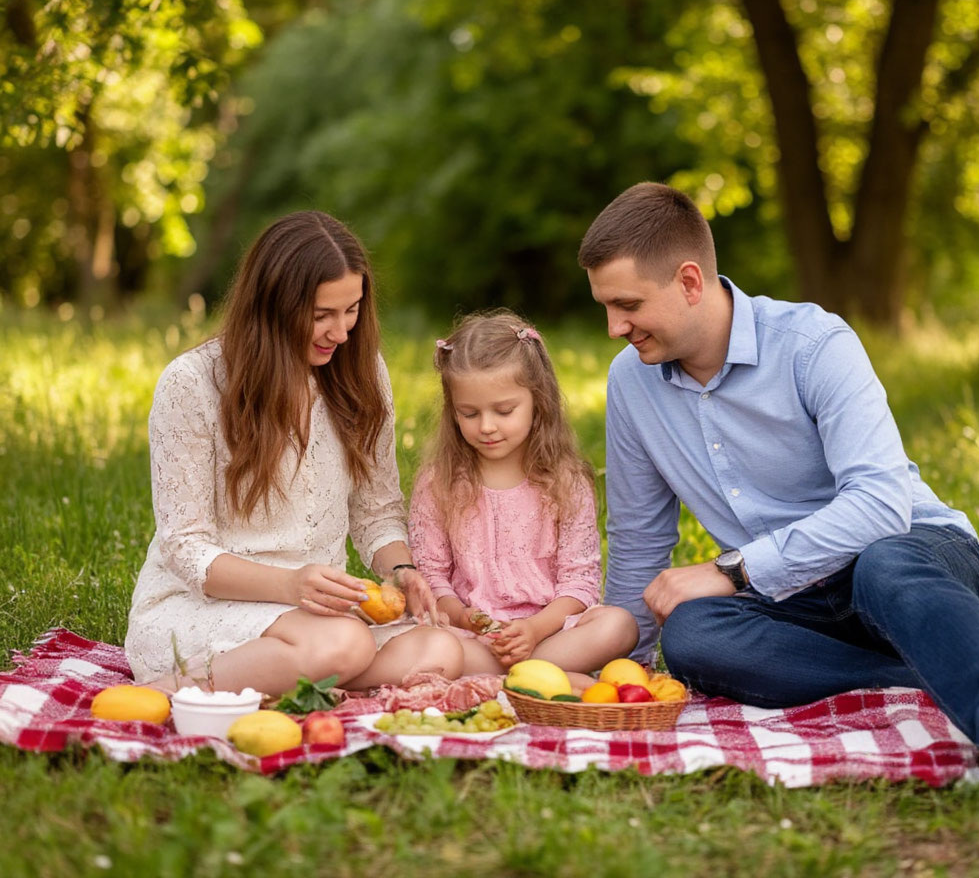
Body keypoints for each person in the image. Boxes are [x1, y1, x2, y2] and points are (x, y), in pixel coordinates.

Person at [577, 181, 979, 803]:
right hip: (796, 605)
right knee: (693, 635)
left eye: (627, 304)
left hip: (911, 560)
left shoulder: (813, 345)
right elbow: (641, 539)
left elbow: (880, 506)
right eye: (605, 307)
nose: (615, 327)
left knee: (883, 562)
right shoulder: (631, 385)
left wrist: (735, 568)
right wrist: (622, 675)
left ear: (690, 282)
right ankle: (966, 671)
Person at [125, 211, 464, 696]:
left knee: (439, 650)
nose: (342, 332)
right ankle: (161, 691)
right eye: (322, 315)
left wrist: (402, 571)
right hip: (199, 606)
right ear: (272, 306)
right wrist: (289, 587)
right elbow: (185, 548)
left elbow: (376, 513)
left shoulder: (362, 372)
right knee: (347, 643)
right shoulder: (192, 383)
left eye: (352, 310)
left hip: (318, 615)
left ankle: (287, 675)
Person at [408, 309, 638, 683]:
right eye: (468, 413)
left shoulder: (565, 480)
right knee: (430, 643)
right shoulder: (439, 481)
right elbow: (431, 576)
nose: (486, 426)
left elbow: (580, 582)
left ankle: (516, 673)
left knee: (619, 626)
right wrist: (466, 618)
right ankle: (539, 677)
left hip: (549, 632)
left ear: (538, 401)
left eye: (504, 410)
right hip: (471, 635)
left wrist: (532, 631)